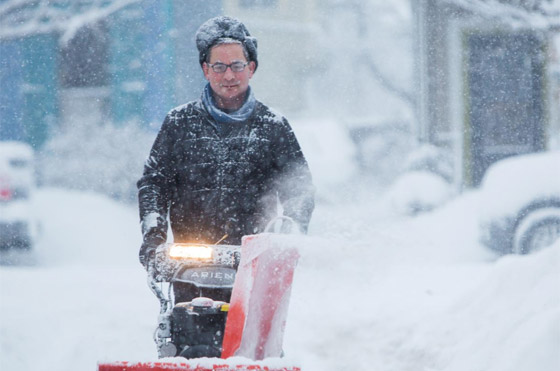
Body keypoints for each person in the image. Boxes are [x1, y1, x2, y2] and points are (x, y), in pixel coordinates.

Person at [137, 16, 315, 281]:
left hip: (254, 264)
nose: (229, 75)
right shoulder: (178, 123)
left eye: (237, 65)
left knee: (248, 324)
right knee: (184, 320)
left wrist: (289, 237)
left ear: (251, 68)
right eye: (219, 66)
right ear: (205, 70)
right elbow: (154, 183)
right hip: (188, 264)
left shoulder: (273, 127)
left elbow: (299, 188)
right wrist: (154, 237)